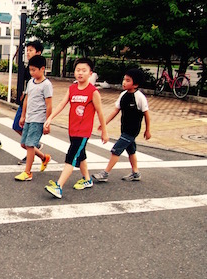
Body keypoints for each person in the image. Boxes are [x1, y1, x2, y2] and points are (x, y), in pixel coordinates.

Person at [43, 58, 109, 199]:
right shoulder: (72, 88)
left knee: (71, 157)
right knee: (81, 155)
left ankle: (58, 186)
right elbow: (62, 104)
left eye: (84, 70)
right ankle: (87, 179)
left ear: (90, 73)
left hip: (83, 132)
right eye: (78, 70)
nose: (80, 73)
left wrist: (104, 131)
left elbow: (100, 112)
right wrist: (50, 118)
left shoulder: (93, 91)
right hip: (72, 129)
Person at [92, 68, 151, 182]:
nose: (124, 82)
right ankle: (136, 173)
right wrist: (104, 123)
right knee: (131, 150)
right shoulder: (123, 95)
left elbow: (146, 114)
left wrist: (147, 130)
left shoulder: (139, 97)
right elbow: (115, 111)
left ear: (136, 84)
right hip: (124, 128)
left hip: (132, 130)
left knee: (116, 150)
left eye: (128, 80)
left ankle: (105, 173)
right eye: (124, 79)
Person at [14, 55, 52, 181]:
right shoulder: (30, 82)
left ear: (42, 69)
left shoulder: (46, 85)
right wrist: (23, 115)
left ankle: (28, 172)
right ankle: (43, 157)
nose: (32, 72)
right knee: (24, 144)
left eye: (34, 70)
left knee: (30, 145)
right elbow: (27, 99)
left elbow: (49, 104)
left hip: (39, 119)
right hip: (29, 118)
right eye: (30, 70)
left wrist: (47, 122)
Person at [13, 40, 45, 165]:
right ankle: (35, 147)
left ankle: (31, 150)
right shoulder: (28, 68)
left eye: (31, 51)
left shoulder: (40, 72)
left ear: (38, 52)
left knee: (27, 137)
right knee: (16, 126)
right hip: (25, 103)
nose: (28, 53)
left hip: (34, 108)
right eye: (27, 51)